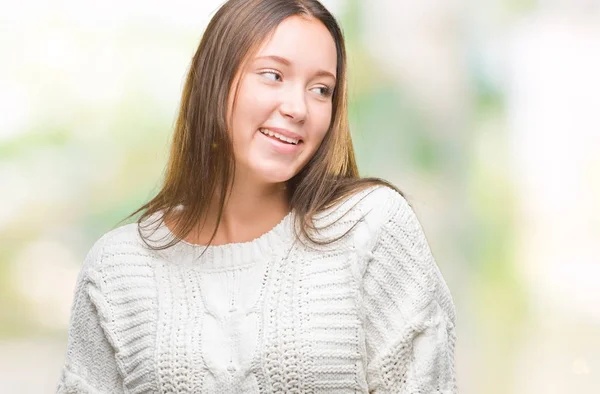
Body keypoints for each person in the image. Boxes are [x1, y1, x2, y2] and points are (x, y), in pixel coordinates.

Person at [56, 0, 458, 393]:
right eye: (273, 75)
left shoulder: (369, 225)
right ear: (214, 80)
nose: (298, 108)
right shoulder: (118, 268)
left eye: (321, 89)